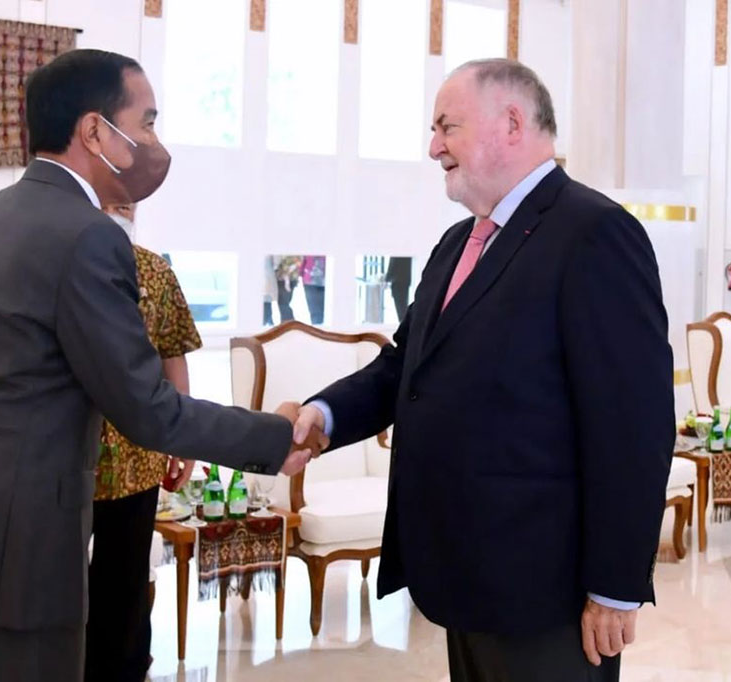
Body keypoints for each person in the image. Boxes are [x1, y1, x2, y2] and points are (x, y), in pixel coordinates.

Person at [0, 49, 319, 682]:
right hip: (21, 566)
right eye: (145, 122)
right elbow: (146, 407)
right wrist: (273, 437)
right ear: (95, 131)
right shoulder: (88, 235)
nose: (152, 142)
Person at [288, 59, 674, 682]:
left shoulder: (595, 233)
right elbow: (405, 367)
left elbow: (633, 427)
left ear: (512, 123)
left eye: (448, 126)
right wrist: (324, 415)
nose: (433, 146)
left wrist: (615, 585)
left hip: (546, 594)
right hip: (463, 578)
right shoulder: (455, 245)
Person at [85, 202, 198, 681]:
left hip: (137, 454)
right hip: (66, 456)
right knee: (56, 578)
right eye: (112, 199)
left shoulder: (154, 270)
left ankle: (125, 670)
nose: (121, 208)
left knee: (127, 578)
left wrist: (183, 437)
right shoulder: (65, 264)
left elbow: (173, 354)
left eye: (128, 202)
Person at [300, 255, 326, 325]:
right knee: (315, 311)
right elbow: (301, 260)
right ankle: (317, 329)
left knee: (324, 311)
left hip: (326, 281)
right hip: (310, 281)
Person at [384, 256, 412, 321]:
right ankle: (404, 322)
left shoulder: (397, 252)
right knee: (403, 304)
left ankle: (403, 322)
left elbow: (392, 264)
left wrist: (387, 279)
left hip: (397, 281)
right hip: (405, 280)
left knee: (400, 306)